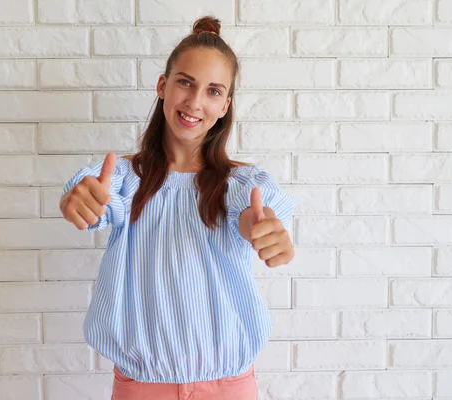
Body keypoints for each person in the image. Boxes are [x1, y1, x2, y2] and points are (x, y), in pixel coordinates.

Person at [59, 15, 295, 400]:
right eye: (185, 82)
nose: (195, 101)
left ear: (225, 106)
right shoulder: (123, 178)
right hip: (142, 386)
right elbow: (93, 203)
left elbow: (255, 217)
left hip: (229, 386)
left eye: (214, 91)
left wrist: (263, 228)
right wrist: (80, 201)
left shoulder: (241, 185)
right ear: (163, 86)